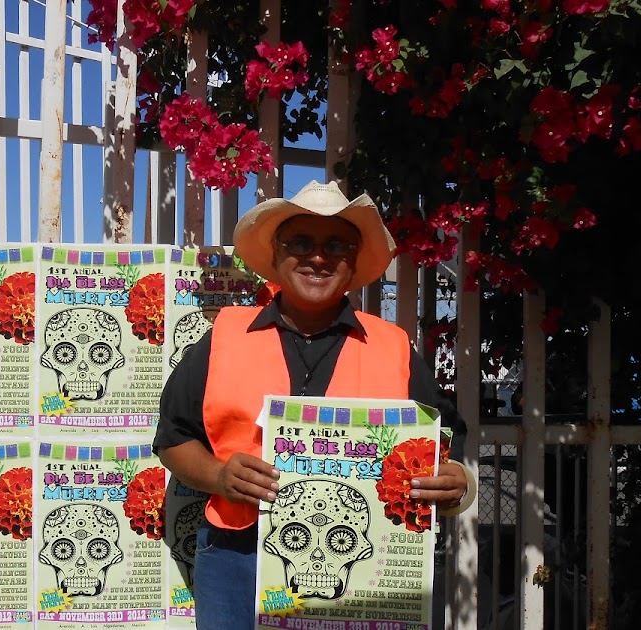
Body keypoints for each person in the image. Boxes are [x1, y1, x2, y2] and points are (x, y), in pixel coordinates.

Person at [154, 180, 476, 629]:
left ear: (354, 259)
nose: (318, 257)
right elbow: (173, 438)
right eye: (301, 242)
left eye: (336, 245)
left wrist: (459, 483)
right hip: (235, 557)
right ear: (277, 255)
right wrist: (220, 477)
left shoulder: (394, 347)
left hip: (362, 564)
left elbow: (447, 444)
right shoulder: (225, 336)